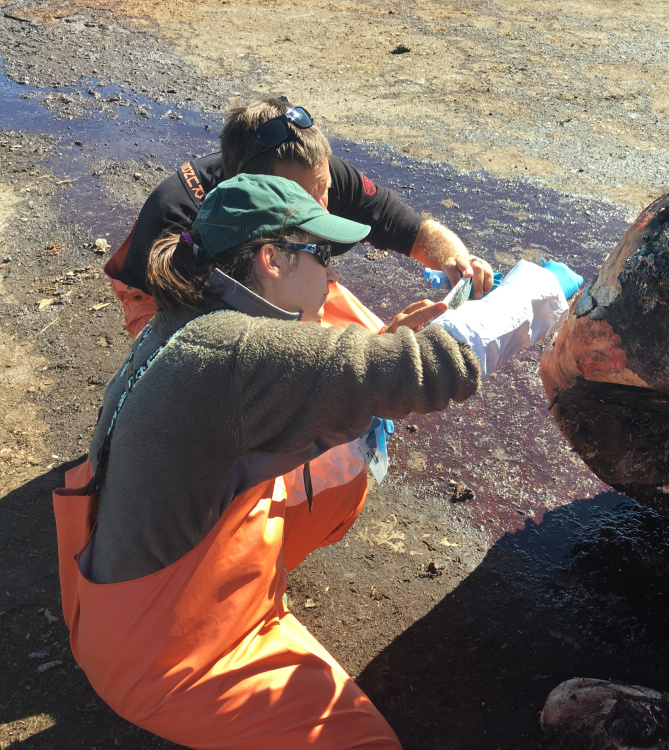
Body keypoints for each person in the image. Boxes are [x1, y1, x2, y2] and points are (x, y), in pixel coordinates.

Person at [54, 174, 483, 749]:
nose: (333, 273)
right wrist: (535, 296)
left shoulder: (188, 319)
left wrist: (383, 344)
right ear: (272, 259)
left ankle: (254, 603)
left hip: (108, 605)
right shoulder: (236, 353)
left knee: (324, 459)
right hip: (163, 652)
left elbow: (315, 383)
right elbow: (429, 371)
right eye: (322, 254)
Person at [105, 96, 495, 339]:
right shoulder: (179, 218)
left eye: (323, 189)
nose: (323, 210)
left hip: (284, 268)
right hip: (168, 297)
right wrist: (378, 359)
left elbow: (413, 229)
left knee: (361, 336)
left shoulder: (317, 173)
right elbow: (236, 360)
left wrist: (457, 262)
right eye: (303, 201)